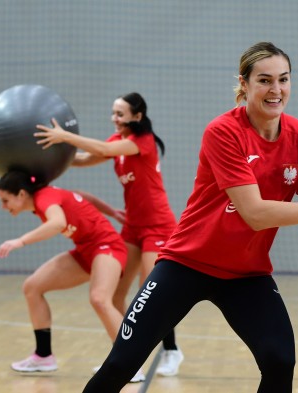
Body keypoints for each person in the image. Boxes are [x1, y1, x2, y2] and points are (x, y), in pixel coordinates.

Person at [82, 41, 298, 392]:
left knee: (280, 360)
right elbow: (255, 214)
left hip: (246, 273)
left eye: (284, 80)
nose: (276, 90)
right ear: (244, 83)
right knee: (120, 363)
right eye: (265, 80)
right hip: (185, 264)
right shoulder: (223, 131)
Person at [34, 92, 185, 376]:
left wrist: (64, 136)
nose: (114, 119)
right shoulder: (117, 142)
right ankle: (125, 356)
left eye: (120, 114)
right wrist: (44, 159)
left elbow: (102, 150)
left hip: (159, 227)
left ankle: (172, 351)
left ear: (136, 117)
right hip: (133, 228)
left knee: (153, 295)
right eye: (113, 113)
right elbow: (82, 159)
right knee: (116, 295)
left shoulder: (141, 143)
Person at [0, 170, 145, 383]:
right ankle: (43, 356)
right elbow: (81, 194)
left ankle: (129, 364)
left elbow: (57, 223)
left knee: (100, 299)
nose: (3, 206)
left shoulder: (44, 197)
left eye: (5, 200)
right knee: (32, 287)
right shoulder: (48, 196)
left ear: (21, 194)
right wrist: (111, 211)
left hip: (107, 246)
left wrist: (20, 241)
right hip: (85, 250)